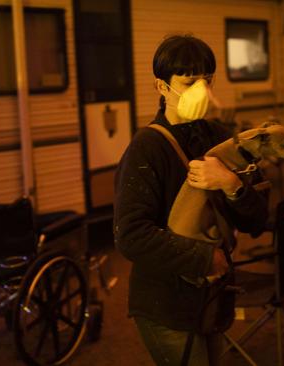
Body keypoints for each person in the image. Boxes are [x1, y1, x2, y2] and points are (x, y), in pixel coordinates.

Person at [113, 34, 268, 365]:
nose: (201, 90)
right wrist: (205, 258)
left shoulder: (218, 137)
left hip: (211, 298)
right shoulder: (147, 147)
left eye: (207, 80)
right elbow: (130, 235)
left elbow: (257, 219)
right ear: (162, 87)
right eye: (189, 81)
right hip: (165, 304)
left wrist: (231, 184)